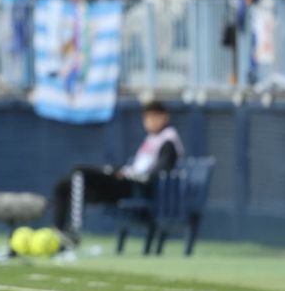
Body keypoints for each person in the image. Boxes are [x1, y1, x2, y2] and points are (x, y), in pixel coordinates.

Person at [42, 101, 182, 247]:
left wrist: (126, 175)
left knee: (80, 172)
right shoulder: (152, 139)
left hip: (135, 188)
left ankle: (74, 233)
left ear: (165, 117)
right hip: (126, 183)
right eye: (147, 118)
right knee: (63, 186)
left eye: (154, 117)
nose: (150, 122)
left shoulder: (168, 140)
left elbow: (155, 175)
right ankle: (58, 233)